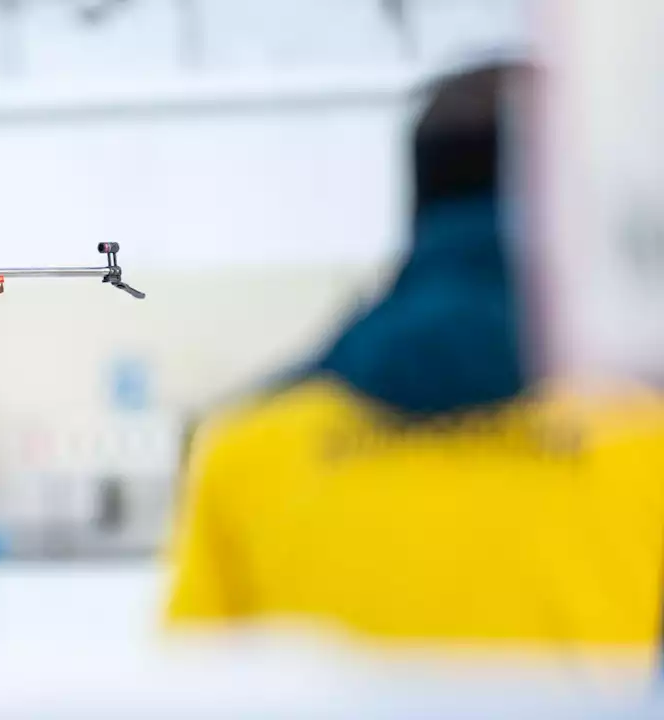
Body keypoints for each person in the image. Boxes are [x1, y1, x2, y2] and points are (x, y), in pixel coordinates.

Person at [165, 60, 664, 665]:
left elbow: (191, 691)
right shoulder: (642, 436)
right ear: (571, 205)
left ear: (418, 200)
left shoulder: (247, 448)